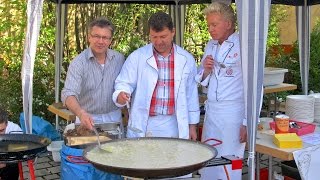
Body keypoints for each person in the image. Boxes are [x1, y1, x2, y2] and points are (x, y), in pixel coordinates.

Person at [113, 12, 200, 140]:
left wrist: (192, 126)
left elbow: (191, 94)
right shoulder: (137, 57)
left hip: (174, 124)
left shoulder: (186, 59)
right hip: (146, 124)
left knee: (174, 159)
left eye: (163, 36)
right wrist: (121, 94)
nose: (158, 41)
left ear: (173, 32)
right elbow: (123, 83)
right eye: (154, 37)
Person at [195, 2, 247, 180]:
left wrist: (247, 122)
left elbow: (255, 87)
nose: (210, 29)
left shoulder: (243, 45)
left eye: (214, 24)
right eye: (209, 25)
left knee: (231, 161)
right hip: (212, 113)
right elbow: (202, 80)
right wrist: (206, 70)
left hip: (233, 114)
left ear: (229, 24)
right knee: (210, 157)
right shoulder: (211, 45)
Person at [61, 17, 125, 130]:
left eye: (105, 37)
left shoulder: (119, 59)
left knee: (116, 148)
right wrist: (80, 113)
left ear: (110, 40)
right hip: (87, 118)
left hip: (114, 117)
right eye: (96, 36)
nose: (100, 41)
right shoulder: (78, 63)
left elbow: (127, 86)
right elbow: (68, 93)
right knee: (88, 148)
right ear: (89, 37)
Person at [0, 107, 22, 180]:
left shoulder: (15, 129)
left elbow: (19, 151)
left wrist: (4, 163)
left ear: (6, 124)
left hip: (8, 161)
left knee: (12, 165)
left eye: (1, 130)